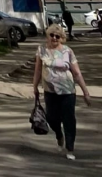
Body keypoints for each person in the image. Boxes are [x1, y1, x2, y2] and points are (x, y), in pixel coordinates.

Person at [33, 22, 91, 160]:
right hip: (50, 91)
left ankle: (70, 148)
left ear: (61, 38)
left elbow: (77, 73)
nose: (54, 38)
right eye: (52, 35)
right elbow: (38, 70)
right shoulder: (41, 50)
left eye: (57, 36)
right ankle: (59, 135)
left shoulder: (67, 51)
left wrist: (85, 92)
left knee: (68, 119)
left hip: (67, 91)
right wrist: (34, 87)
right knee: (51, 118)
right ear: (47, 36)